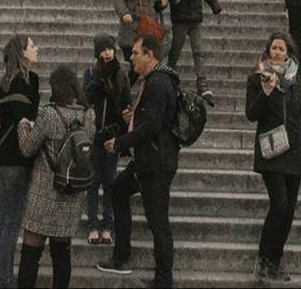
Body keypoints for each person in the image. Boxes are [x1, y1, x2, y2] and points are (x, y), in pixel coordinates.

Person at [97, 34, 180, 287]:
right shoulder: (157, 81)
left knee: (158, 223)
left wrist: (120, 142)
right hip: (149, 159)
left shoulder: (157, 83)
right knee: (118, 190)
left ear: (150, 55)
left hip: (155, 162)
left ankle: (164, 280)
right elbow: (154, 119)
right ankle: (121, 255)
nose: (130, 57)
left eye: (134, 53)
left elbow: (154, 126)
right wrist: (133, 118)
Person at [245, 31, 301, 284]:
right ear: (268, 51)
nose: (277, 52)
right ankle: (263, 259)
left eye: (281, 49)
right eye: (273, 48)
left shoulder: (295, 78)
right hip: (272, 149)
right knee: (280, 205)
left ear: (288, 53)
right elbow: (251, 114)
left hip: (295, 150)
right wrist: (265, 93)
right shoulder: (257, 77)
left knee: (289, 212)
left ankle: (275, 260)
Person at [16, 64, 94, 288]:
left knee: (31, 252)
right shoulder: (88, 115)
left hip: (45, 191)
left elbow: (28, 149)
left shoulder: (48, 114)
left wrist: (23, 126)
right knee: (62, 253)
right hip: (71, 192)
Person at [0, 34, 40, 289]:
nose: (36, 49)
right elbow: (30, 123)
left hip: (0, 157)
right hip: (18, 160)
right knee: (11, 224)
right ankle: (6, 282)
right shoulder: (31, 80)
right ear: (22, 52)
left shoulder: (4, 81)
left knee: (2, 222)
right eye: (32, 46)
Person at [83, 34, 131, 247]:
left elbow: (126, 102)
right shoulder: (91, 72)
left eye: (109, 48)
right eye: (102, 50)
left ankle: (108, 225)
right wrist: (99, 79)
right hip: (94, 134)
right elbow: (85, 98)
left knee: (110, 181)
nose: (107, 53)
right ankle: (93, 224)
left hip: (113, 134)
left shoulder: (121, 73)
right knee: (93, 181)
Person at [160, 0, 221, 103]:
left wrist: (214, 4)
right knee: (175, 50)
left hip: (195, 17)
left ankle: (202, 85)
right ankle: (168, 78)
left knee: (198, 52)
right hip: (180, 17)